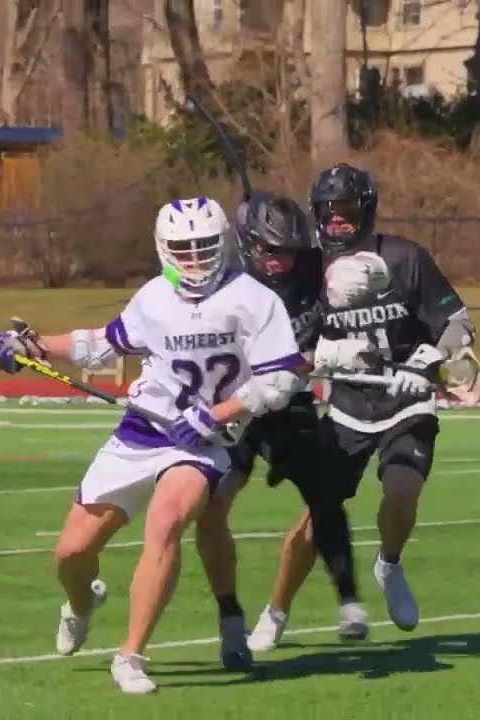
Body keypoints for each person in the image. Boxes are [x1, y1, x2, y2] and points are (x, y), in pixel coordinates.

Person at [0, 196, 307, 694]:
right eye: (183, 248)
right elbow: (102, 344)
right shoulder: (154, 297)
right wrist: (31, 346)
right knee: (71, 554)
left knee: (168, 519)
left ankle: (130, 656)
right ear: (164, 249)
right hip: (143, 429)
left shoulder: (254, 299)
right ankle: (84, 602)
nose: (194, 259)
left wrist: (214, 415)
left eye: (204, 247)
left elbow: (279, 383)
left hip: (203, 441)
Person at [247, 163, 476, 642]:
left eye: (346, 209)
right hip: (348, 406)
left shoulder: (405, 258)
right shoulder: (308, 267)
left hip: (405, 397)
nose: (337, 220)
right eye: (328, 211)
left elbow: (456, 323)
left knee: (402, 488)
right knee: (317, 516)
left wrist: (432, 359)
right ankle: (276, 611)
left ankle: (389, 564)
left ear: (366, 209)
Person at [192, 191, 365, 668]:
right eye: (270, 250)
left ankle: (347, 596)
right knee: (210, 504)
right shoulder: (223, 285)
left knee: (324, 493)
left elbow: (322, 338)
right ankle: (230, 615)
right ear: (248, 245)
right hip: (235, 408)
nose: (281, 261)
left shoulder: (315, 277)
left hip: (288, 404)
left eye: (288, 250)